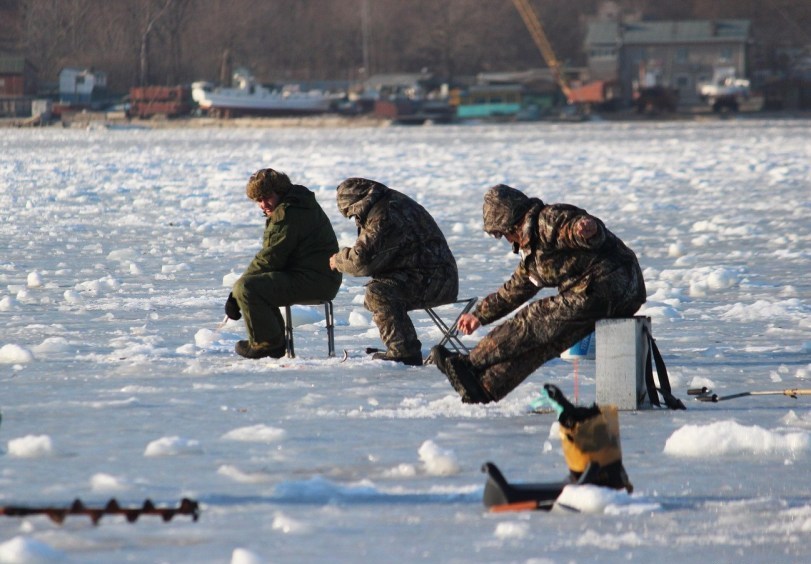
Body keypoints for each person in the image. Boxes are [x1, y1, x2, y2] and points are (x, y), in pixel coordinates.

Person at [431, 184, 646, 403]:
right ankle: (486, 387)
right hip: (596, 294)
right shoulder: (532, 253)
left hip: (611, 283)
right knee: (545, 343)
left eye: (500, 232)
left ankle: (469, 364)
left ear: (511, 222)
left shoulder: (547, 220)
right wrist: (478, 315)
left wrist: (586, 231)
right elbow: (514, 290)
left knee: (532, 318)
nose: (504, 239)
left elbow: (576, 229)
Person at [329, 178, 458, 366]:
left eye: (352, 213)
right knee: (382, 287)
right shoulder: (388, 202)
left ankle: (404, 351)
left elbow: (362, 261)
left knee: (378, 293)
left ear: (359, 203)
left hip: (436, 280)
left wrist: (338, 260)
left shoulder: (384, 214)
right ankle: (403, 347)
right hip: (432, 274)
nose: (355, 219)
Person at [225, 168, 342, 359]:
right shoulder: (297, 203)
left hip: (315, 280)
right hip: (317, 277)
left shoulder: (288, 214)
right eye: (258, 201)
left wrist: (235, 293)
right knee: (252, 286)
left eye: (267, 197)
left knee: (247, 288)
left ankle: (267, 344)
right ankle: (273, 341)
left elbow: (270, 258)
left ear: (279, 191)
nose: (263, 204)